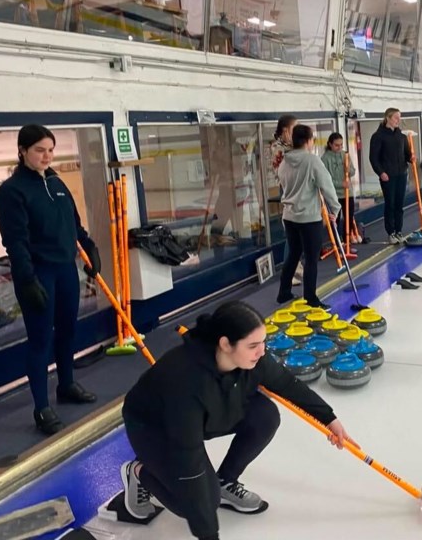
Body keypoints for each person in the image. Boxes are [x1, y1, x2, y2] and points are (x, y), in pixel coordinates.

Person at [120, 301, 352, 540]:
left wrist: (329, 418)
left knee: (265, 415)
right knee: (195, 504)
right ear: (225, 344)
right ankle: (139, 471)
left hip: (207, 412)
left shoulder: (252, 359)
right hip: (156, 425)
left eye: (263, 342)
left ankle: (224, 482)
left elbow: (286, 383)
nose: (262, 351)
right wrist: (209, 534)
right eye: (253, 345)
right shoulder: (186, 380)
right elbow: (188, 456)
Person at [0, 124, 101, 435]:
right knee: (40, 340)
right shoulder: (11, 192)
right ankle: (41, 407)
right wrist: (26, 279)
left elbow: (73, 224)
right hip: (38, 274)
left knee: (67, 330)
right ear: (22, 151)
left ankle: (66, 385)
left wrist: (89, 246)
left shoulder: (56, 183)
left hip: (65, 269)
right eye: (40, 150)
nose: (47, 156)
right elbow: (15, 241)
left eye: (51, 150)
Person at [277, 125, 342, 309]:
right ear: (308, 140)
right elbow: (327, 185)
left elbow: (284, 183)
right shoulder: (312, 161)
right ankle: (311, 298)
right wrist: (335, 209)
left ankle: (283, 293)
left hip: (289, 216)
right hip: (308, 218)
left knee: (294, 254)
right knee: (311, 258)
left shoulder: (284, 162)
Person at [368, 108, 412, 244]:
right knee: (390, 204)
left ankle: (399, 231)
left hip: (401, 174)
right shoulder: (378, 136)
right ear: (388, 118)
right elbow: (373, 158)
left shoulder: (402, 136)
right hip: (388, 176)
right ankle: (391, 232)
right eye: (396, 118)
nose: (398, 120)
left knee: (399, 204)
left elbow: (407, 154)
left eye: (400, 118)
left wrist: (411, 158)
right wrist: (381, 172)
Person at [269, 115, 302, 284]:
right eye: (294, 129)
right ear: (285, 131)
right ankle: (289, 271)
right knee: (291, 230)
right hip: (287, 189)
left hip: (295, 188)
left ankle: (296, 264)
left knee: (297, 231)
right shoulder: (279, 148)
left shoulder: (290, 146)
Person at [321, 132, 356, 245]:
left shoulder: (345, 155)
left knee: (349, 218)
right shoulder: (325, 159)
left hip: (347, 193)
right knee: (335, 220)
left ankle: (347, 242)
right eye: (337, 145)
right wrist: (341, 184)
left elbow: (352, 171)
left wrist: (348, 168)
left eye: (341, 145)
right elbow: (326, 180)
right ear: (330, 144)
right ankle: (337, 243)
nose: (340, 147)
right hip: (333, 195)